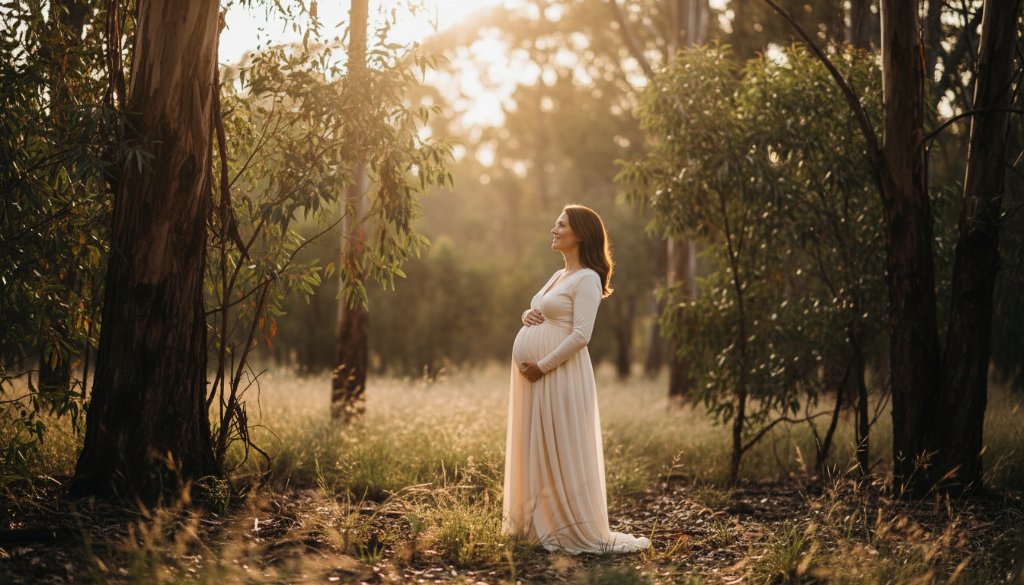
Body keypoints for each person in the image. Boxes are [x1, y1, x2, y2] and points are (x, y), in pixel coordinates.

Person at [502, 204, 651, 554]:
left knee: (560, 444)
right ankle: (535, 523)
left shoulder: (587, 278)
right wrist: (527, 313)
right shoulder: (558, 275)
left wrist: (543, 365)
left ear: (580, 234)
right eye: (555, 223)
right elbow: (542, 309)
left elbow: (582, 335)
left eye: (561, 225)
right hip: (536, 376)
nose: (553, 229)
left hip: (559, 375)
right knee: (537, 444)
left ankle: (567, 526)